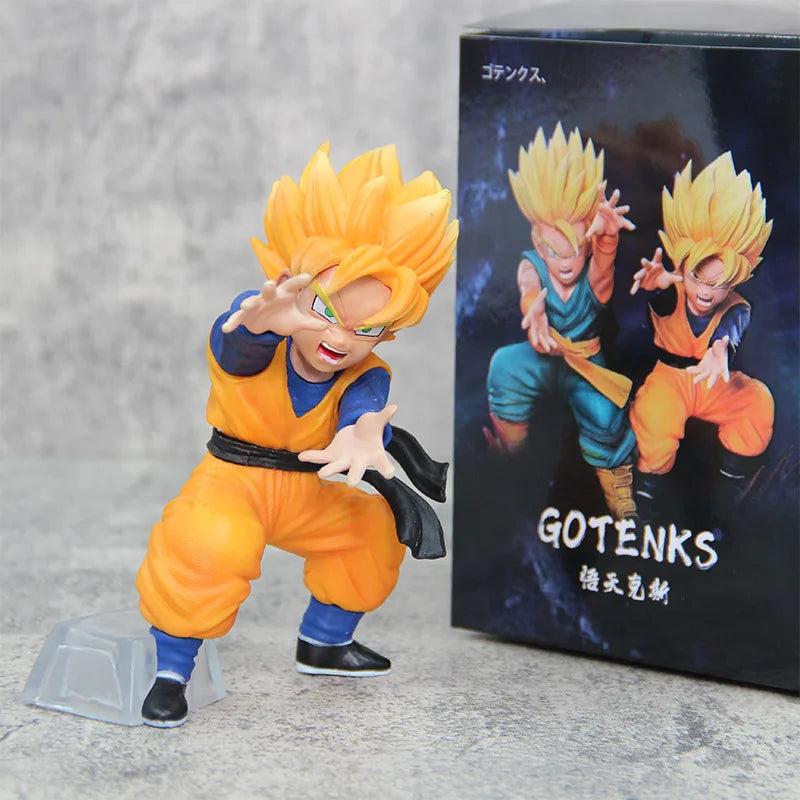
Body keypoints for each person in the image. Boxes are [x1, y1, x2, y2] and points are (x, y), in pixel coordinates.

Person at [136, 143, 458, 726]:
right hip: (232, 482)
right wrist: (260, 323)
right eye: (326, 311)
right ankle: (172, 672)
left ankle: (325, 643)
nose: (341, 338)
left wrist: (362, 435)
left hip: (307, 490)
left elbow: (364, 405)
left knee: (369, 529)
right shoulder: (259, 332)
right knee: (209, 544)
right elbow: (238, 344)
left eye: (369, 327)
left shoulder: (366, 372)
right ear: (292, 286)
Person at [485, 123, 637, 519]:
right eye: (554, 251)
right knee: (504, 367)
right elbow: (528, 283)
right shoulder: (531, 264)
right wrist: (533, 307)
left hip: (585, 364)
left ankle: (619, 494)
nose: (566, 262)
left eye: (575, 249)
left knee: (606, 417)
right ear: (538, 243)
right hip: (542, 356)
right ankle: (509, 455)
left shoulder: (593, 275)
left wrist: (608, 241)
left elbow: (602, 275)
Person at [629, 152, 774, 521]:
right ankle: (647, 490)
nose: (707, 293)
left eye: (720, 283)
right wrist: (656, 286)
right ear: (681, 265)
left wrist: (720, 350)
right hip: (671, 379)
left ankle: (731, 481)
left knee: (757, 401)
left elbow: (729, 331)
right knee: (655, 418)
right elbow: (659, 301)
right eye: (698, 277)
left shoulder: (737, 306)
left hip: (713, 381)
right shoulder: (671, 291)